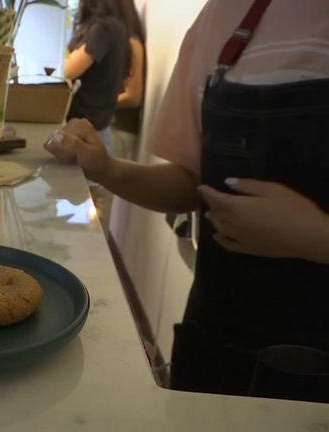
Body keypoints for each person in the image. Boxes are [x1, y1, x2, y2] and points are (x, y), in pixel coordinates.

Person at [46, 0, 329, 400]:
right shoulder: (224, 16)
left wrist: (315, 237)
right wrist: (106, 168)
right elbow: (191, 183)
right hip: (217, 343)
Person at [63, 0, 131, 152]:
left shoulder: (103, 29)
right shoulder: (117, 27)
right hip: (98, 127)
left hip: (87, 132)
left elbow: (68, 71)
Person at [111, 0, 145, 161]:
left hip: (120, 128)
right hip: (111, 125)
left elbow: (133, 97)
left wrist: (98, 103)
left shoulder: (132, 43)